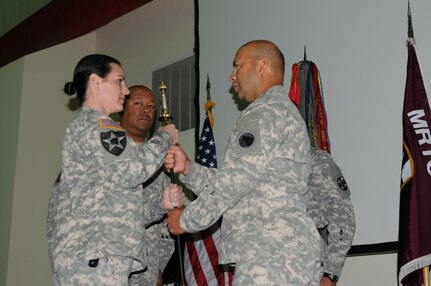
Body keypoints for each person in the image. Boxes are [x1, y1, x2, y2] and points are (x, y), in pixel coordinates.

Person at [165, 40, 323, 285]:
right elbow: (246, 182)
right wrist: (189, 169)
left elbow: (234, 182)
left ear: (262, 65)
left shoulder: (264, 112)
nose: (232, 76)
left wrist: (185, 220)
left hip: (271, 256)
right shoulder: (279, 110)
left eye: (237, 66)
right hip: (281, 253)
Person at [47, 54, 183, 286]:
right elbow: (133, 169)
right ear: (96, 82)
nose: (126, 89)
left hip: (103, 257)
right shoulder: (98, 126)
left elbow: (120, 206)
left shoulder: (96, 127)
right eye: (119, 81)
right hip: (97, 257)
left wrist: (160, 204)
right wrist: (164, 137)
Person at [119, 85, 175, 286]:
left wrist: (158, 265)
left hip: (148, 274)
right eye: (138, 103)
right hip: (112, 267)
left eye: (151, 107)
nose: (146, 110)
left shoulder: (160, 161)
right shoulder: (110, 154)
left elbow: (167, 225)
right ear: (122, 108)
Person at [306, 147, 356, 286]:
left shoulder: (315, 159)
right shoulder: (256, 160)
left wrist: (330, 274)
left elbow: (343, 218)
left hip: (306, 270)